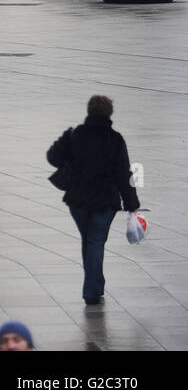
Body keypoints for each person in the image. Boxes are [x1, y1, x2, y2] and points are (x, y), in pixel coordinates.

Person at [46, 95, 141, 307]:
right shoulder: (115, 139)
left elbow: (53, 158)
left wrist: (65, 138)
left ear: (89, 111)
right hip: (105, 201)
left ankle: (94, 285)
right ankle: (92, 290)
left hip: (78, 200)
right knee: (95, 241)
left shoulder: (77, 135)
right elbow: (123, 174)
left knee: (89, 240)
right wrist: (132, 203)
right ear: (110, 112)